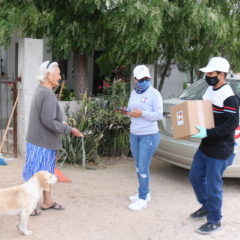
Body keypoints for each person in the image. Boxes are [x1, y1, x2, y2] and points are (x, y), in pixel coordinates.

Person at [22, 61, 83, 216]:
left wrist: (60, 122)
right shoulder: (47, 94)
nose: (60, 78)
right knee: (37, 176)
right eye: (58, 74)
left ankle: (47, 202)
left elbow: (48, 117)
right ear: (48, 75)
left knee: (45, 173)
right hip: (41, 143)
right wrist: (69, 129)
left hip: (39, 141)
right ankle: (28, 206)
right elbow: (48, 121)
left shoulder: (41, 90)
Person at [189, 57, 239, 234]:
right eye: (207, 73)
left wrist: (208, 132)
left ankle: (215, 220)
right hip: (205, 145)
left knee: (213, 185)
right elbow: (203, 114)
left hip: (220, 148)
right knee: (195, 176)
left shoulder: (230, 97)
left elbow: (231, 125)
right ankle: (207, 206)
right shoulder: (209, 91)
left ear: (221, 74)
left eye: (211, 73)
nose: (208, 76)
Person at [126, 65, 163, 211]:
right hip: (135, 134)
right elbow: (131, 109)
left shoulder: (155, 94)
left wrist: (141, 113)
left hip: (149, 135)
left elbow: (159, 115)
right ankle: (145, 192)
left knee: (143, 167)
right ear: (135, 79)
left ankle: (142, 199)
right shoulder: (133, 93)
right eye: (140, 79)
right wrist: (128, 112)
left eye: (146, 79)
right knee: (137, 165)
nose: (143, 81)